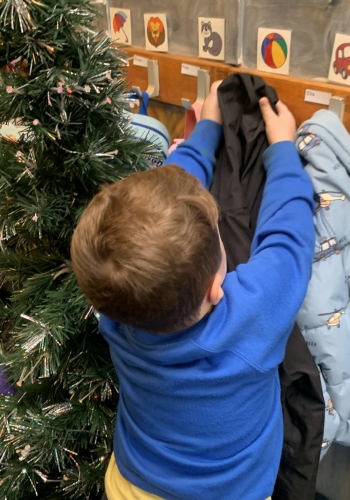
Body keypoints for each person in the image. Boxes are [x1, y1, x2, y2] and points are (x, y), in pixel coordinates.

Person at [70, 80, 316, 500]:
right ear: (215, 288)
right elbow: (288, 237)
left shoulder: (114, 310)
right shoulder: (252, 314)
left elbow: (170, 190)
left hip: (131, 486)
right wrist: (282, 147)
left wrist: (208, 126)